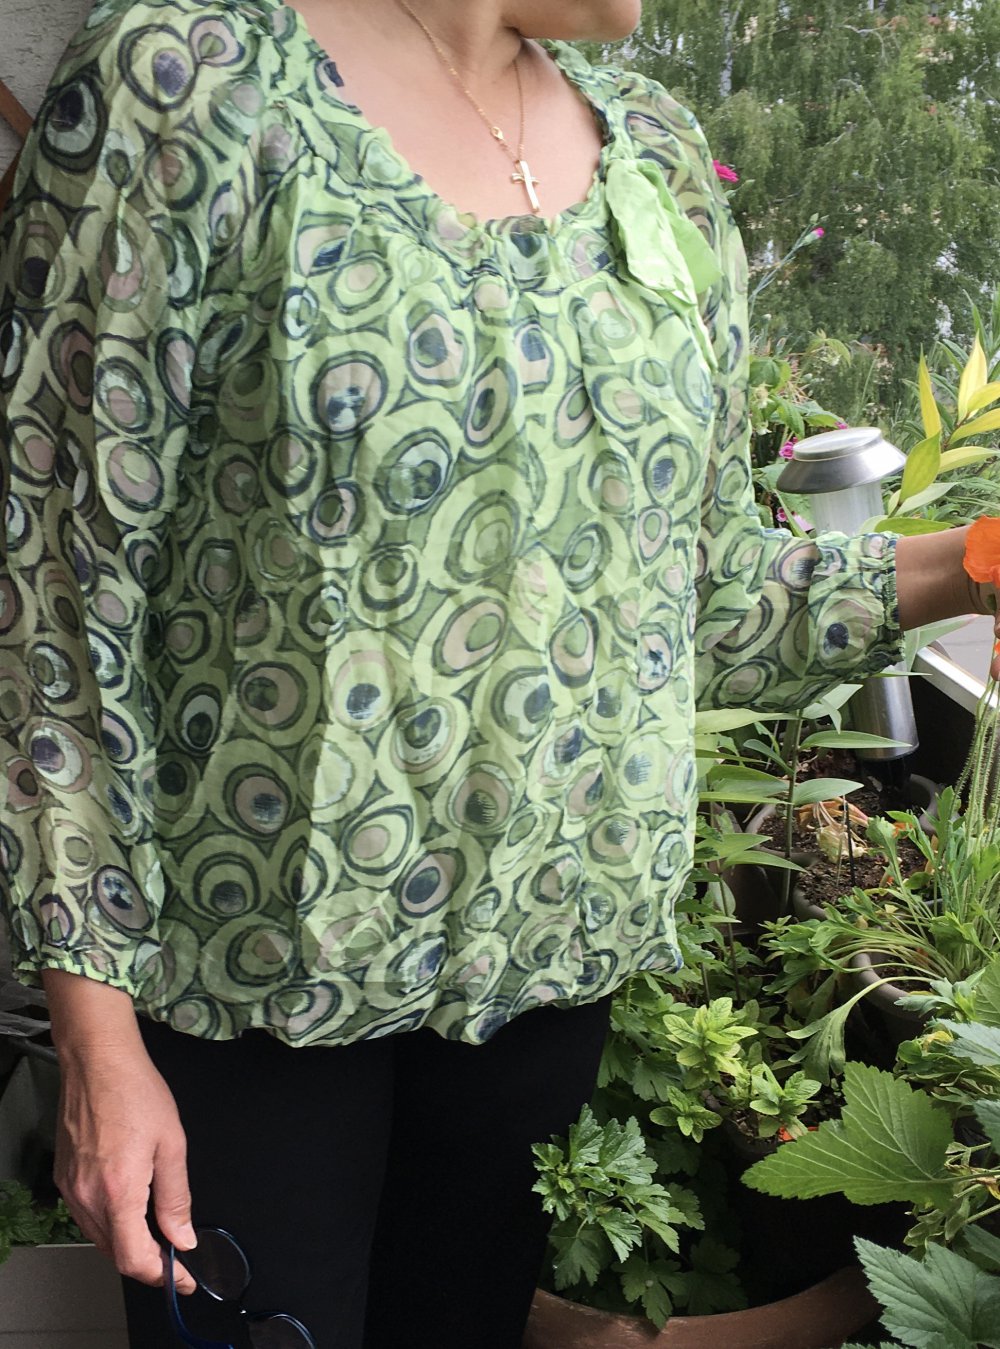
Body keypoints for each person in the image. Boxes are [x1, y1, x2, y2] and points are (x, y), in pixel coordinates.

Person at [0, 1, 996, 1346]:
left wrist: (977, 559)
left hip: (540, 990)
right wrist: (94, 1034)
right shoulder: (188, 87)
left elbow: (708, 596)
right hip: (246, 996)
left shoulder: (655, 154)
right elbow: (52, 597)